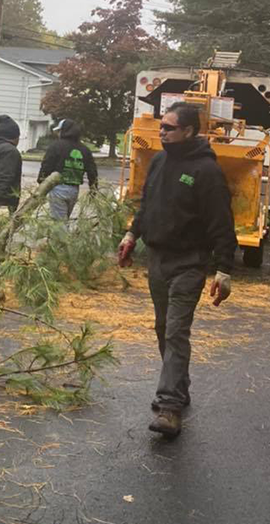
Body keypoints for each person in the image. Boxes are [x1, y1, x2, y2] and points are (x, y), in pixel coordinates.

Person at [116, 101, 235, 438]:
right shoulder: (159, 161)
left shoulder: (206, 172)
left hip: (189, 262)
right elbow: (147, 204)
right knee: (162, 328)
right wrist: (131, 234)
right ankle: (179, 387)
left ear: (188, 131)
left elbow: (222, 224)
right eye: (161, 126)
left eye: (169, 127)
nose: (162, 131)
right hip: (157, 259)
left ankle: (169, 408)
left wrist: (223, 270)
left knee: (175, 331)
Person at [37, 118, 97, 225]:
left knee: (59, 223)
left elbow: (46, 165)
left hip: (57, 188)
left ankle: (64, 241)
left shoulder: (56, 146)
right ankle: (57, 240)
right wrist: (93, 189)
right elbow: (92, 171)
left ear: (64, 131)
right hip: (74, 190)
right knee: (64, 220)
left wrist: (41, 183)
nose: (58, 133)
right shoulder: (84, 150)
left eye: (59, 131)